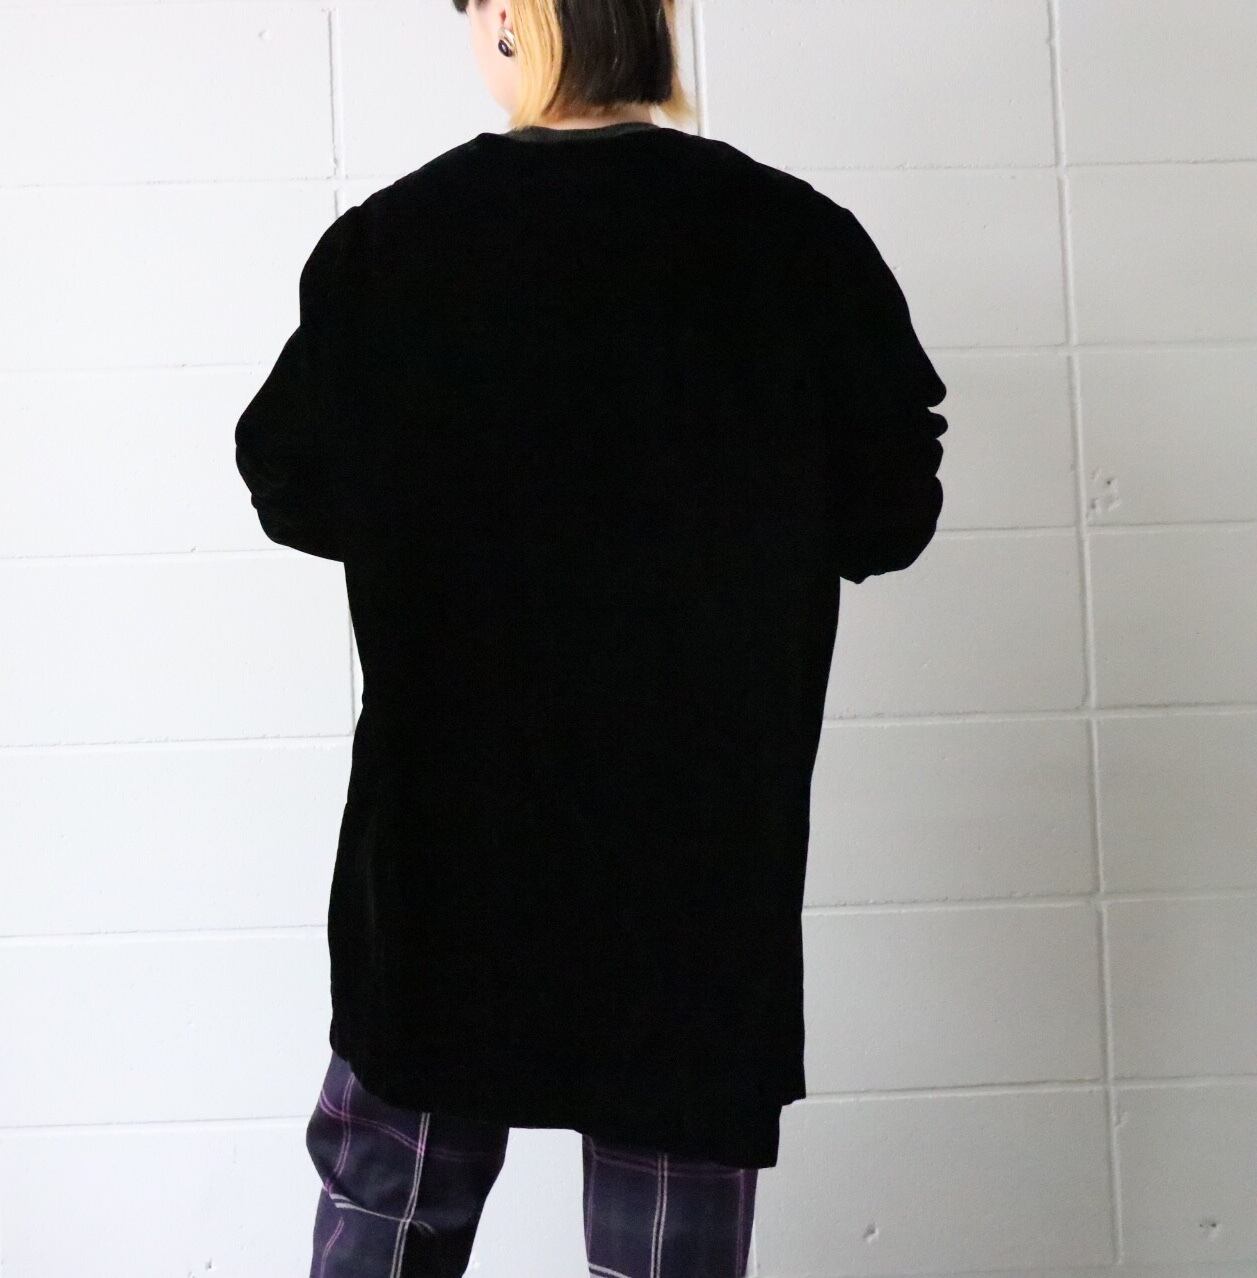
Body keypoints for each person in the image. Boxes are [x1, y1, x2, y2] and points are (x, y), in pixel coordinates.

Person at [234, 1, 948, 1273]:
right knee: (667, 1239)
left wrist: (449, 535)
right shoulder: (792, 239)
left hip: (451, 842)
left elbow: (288, 478)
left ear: (513, 18)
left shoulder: (396, 245)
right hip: (696, 853)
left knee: (390, 1204)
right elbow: (891, 513)